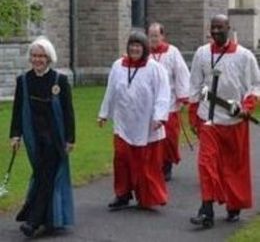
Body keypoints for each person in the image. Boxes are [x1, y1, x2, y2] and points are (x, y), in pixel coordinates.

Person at [189, 14, 260, 228]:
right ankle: (206, 209)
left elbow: (256, 86)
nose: (216, 31)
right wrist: (194, 113)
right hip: (208, 120)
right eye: (213, 27)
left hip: (234, 121)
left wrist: (246, 106)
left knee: (234, 166)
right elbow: (194, 85)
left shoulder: (244, 56)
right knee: (206, 164)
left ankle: (234, 205)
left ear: (229, 28)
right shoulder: (202, 54)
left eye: (220, 27)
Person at [10, 36, 75, 237]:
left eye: (41, 56)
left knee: (46, 177)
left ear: (49, 58)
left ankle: (32, 221)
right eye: (34, 56)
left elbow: (68, 112)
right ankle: (47, 217)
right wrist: (15, 135)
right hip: (34, 139)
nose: (37, 60)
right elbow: (17, 110)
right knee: (41, 175)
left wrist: (70, 139)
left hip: (54, 140)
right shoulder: (24, 81)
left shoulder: (60, 81)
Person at [98, 30, 170, 210]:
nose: (134, 49)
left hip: (146, 123)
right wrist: (104, 113)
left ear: (144, 48)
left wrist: (159, 116)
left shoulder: (155, 69)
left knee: (145, 162)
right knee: (121, 159)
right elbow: (111, 90)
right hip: (124, 122)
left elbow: (163, 94)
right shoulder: (118, 66)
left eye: (138, 46)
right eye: (132, 45)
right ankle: (122, 194)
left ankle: (147, 196)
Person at [148, 23, 190, 181]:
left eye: (155, 36)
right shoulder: (145, 53)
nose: (153, 39)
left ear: (162, 36)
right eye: (150, 36)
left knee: (170, 137)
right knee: (152, 136)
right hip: (150, 103)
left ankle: (167, 166)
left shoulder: (172, 52)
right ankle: (154, 165)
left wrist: (183, 95)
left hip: (170, 103)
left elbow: (181, 73)